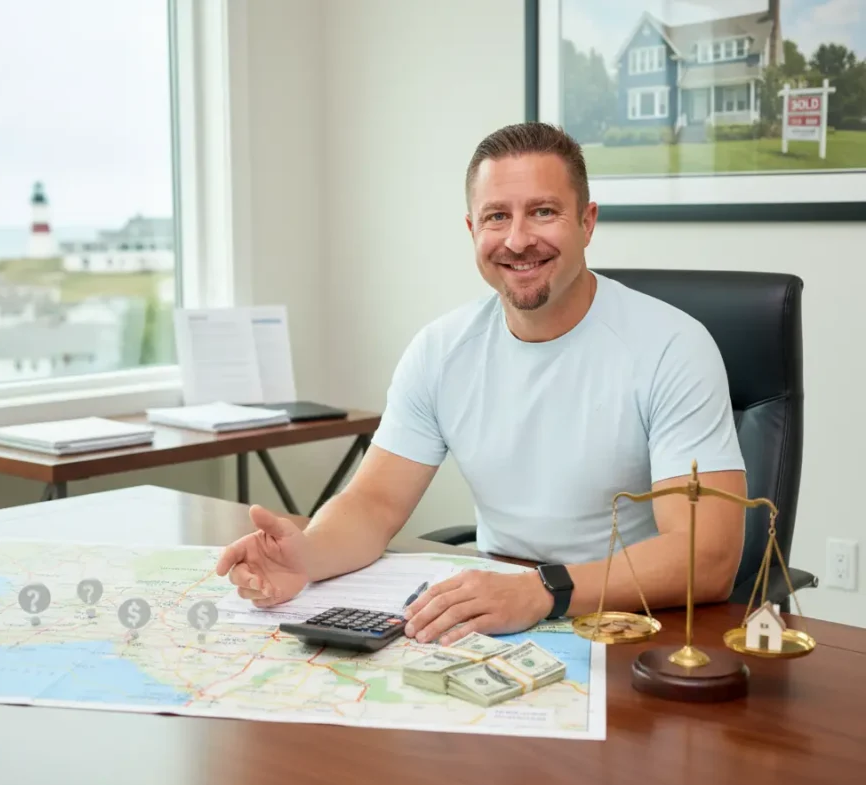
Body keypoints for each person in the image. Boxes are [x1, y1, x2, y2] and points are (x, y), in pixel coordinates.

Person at [216, 122, 746, 646]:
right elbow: (372, 504)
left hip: (635, 626)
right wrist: (307, 557)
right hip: (494, 622)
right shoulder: (441, 350)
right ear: (473, 230)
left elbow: (709, 555)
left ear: (587, 222)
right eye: (497, 216)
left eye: (543, 211)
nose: (518, 239)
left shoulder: (673, 346)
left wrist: (541, 590)